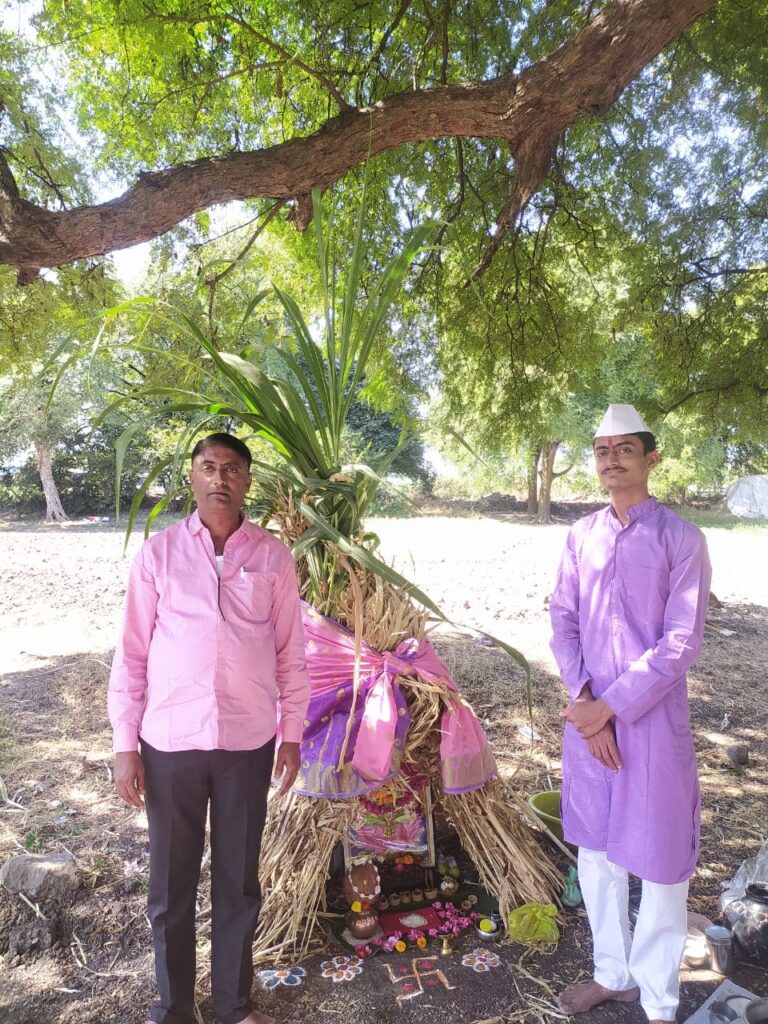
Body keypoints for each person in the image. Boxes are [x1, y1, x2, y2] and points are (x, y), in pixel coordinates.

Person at [109, 432, 310, 1024]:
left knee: (238, 884)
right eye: (208, 467)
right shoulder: (159, 555)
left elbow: (290, 654)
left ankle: (233, 1007)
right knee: (170, 888)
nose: (220, 477)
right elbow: (132, 655)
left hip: (248, 743)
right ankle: (173, 1010)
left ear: (248, 481)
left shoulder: (272, 557)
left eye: (232, 469)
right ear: (192, 479)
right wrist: (125, 746)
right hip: (169, 742)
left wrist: (292, 733)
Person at [550, 404, 711, 1024]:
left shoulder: (681, 539)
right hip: (592, 721)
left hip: (651, 727)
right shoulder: (579, 536)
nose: (611, 458)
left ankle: (659, 999)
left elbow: (680, 643)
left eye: (624, 448)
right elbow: (562, 619)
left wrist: (608, 711)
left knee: (662, 862)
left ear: (651, 459)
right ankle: (612, 974)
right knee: (596, 853)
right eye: (600, 450)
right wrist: (587, 703)